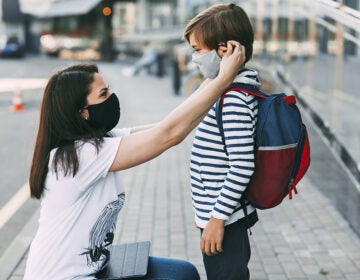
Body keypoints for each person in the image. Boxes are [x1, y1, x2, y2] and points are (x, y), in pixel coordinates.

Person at [24, 39, 245, 279]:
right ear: (83, 113)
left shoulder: (100, 141)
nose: (112, 97)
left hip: (95, 269)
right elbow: (168, 135)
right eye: (104, 94)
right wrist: (223, 78)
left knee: (184, 273)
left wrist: (216, 74)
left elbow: (167, 126)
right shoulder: (79, 155)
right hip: (63, 276)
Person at [183, 3, 261, 280]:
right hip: (219, 216)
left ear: (225, 50)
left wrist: (216, 220)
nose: (193, 59)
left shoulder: (234, 100)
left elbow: (241, 165)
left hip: (225, 221)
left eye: (197, 50)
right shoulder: (224, 90)